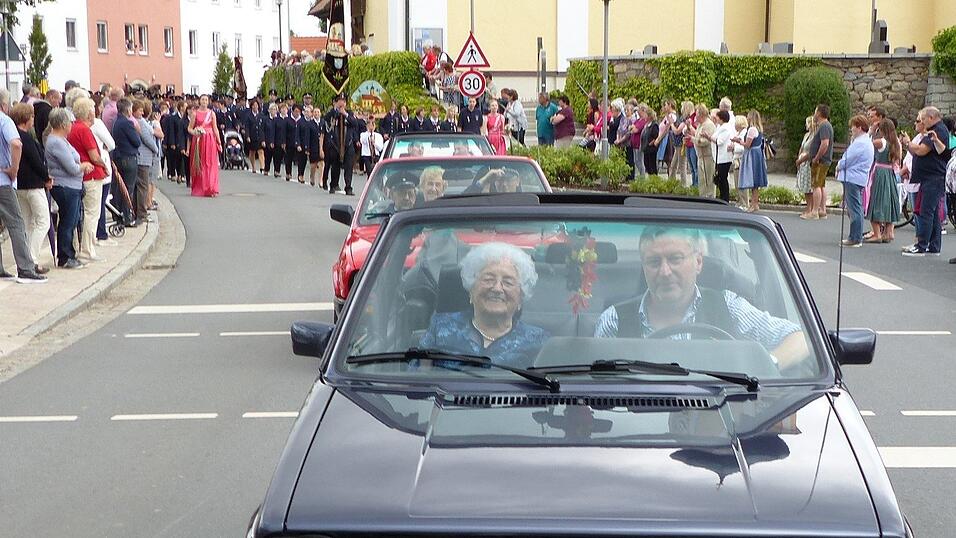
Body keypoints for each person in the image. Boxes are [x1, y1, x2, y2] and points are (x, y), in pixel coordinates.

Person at [594, 227, 808, 367]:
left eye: (675, 259)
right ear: (644, 267)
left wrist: (766, 365)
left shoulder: (729, 307)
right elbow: (595, 387)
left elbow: (800, 339)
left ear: (698, 262)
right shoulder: (613, 321)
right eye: (654, 262)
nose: (665, 271)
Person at [420, 242, 549, 367]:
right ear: (471, 290)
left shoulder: (538, 341)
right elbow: (418, 375)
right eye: (488, 279)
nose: (497, 289)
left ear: (520, 298)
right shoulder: (440, 327)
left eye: (508, 282)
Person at [0, 95, 45, 282]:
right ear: (4, 104)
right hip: (3, 181)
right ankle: (25, 268)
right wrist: (13, 169)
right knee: (16, 223)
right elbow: (16, 143)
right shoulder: (5, 120)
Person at [47, 108, 94, 269]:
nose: (72, 125)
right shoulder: (56, 142)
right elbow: (71, 167)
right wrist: (84, 166)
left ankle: (69, 254)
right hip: (65, 185)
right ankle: (65, 256)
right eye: (69, 122)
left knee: (72, 220)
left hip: (72, 185)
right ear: (62, 124)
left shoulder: (62, 140)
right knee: (68, 221)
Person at [902, 106, 952, 256]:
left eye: (923, 119)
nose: (922, 122)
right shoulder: (936, 130)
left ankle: (921, 245)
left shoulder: (936, 131)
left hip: (933, 177)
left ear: (931, 117)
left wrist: (907, 143)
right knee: (933, 212)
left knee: (926, 212)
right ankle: (934, 245)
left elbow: (921, 150)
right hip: (930, 177)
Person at [11, 103, 51, 274]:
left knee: (27, 224)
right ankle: (32, 259)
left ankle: (25, 259)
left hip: (20, 185)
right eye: (32, 116)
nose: (33, 119)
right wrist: (47, 178)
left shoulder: (15, 135)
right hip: (34, 185)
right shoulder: (26, 138)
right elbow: (36, 162)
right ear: (26, 118)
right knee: (43, 221)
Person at [68, 97, 109, 261]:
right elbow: (94, 155)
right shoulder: (84, 130)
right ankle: (88, 249)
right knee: (93, 213)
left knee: (82, 213)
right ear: (88, 113)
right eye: (93, 109)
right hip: (91, 175)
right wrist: (104, 164)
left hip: (80, 175)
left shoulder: (72, 128)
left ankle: (81, 247)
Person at [836, 115, 875, 247]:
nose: (851, 129)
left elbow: (848, 159)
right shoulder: (865, 142)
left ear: (859, 127)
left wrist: (839, 165)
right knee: (855, 207)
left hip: (853, 177)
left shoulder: (860, 143)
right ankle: (855, 236)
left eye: (853, 126)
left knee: (854, 209)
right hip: (857, 178)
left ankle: (855, 238)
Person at [864, 118, 902, 243]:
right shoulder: (897, 144)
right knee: (889, 201)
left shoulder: (880, 142)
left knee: (876, 200)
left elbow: (866, 145)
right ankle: (888, 232)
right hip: (890, 173)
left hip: (880, 172)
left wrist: (871, 131)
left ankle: (877, 234)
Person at [91, 99, 119, 247]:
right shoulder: (96, 123)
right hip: (100, 164)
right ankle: (101, 233)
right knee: (100, 202)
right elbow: (111, 144)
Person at [110, 98, 140, 225]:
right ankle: (127, 217)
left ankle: (119, 215)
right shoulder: (127, 123)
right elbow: (136, 141)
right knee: (128, 188)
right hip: (128, 157)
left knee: (119, 188)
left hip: (119, 156)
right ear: (128, 109)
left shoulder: (116, 122)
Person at [324, 94, 360, 195]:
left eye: (344, 101)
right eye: (340, 100)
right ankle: (333, 184)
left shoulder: (349, 113)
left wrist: (345, 114)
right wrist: (336, 112)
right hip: (335, 144)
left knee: (349, 166)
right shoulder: (332, 113)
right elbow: (326, 121)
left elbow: (355, 123)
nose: (342, 102)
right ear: (336, 102)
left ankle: (348, 187)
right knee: (335, 166)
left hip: (347, 143)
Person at [187, 94, 222, 197]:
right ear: (199, 101)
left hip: (210, 140)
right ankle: (200, 187)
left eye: (206, 100)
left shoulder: (212, 114)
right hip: (198, 141)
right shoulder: (195, 114)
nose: (204, 101)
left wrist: (219, 142)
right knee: (200, 163)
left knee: (210, 163)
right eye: (202, 99)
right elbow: (189, 128)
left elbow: (215, 128)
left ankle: (210, 187)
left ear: (208, 101)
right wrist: (195, 132)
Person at [735, 110, 769, 212]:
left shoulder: (751, 130)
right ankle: (755, 204)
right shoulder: (758, 129)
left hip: (752, 155)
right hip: (757, 154)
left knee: (752, 179)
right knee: (756, 181)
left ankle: (753, 204)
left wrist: (739, 141)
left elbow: (747, 144)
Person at [808, 104, 834, 219]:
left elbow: (825, 144)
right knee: (821, 185)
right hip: (823, 160)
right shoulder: (826, 126)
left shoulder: (824, 126)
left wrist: (816, 157)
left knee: (816, 185)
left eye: (815, 111)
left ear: (819, 113)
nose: (814, 114)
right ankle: (822, 210)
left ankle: (814, 211)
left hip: (821, 161)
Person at [795, 116, 817, 218]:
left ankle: (811, 208)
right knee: (804, 186)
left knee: (809, 187)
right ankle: (808, 208)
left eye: (807, 123)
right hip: (802, 162)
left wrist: (802, 159)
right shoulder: (806, 135)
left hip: (808, 162)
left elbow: (810, 150)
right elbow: (802, 147)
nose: (806, 125)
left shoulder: (814, 136)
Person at [669, 101, 695, 185]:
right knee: (673, 165)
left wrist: (671, 124)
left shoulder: (686, 119)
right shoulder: (682, 118)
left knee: (682, 165)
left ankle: (683, 184)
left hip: (681, 144)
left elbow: (677, 131)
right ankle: (671, 182)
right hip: (677, 144)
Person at [712, 110, 735, 203]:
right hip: (720, 158)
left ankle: (725, 198)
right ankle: (723, 197)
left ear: (721, 118)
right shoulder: (720, 127)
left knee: (722, 178)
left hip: (724, 157)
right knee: (721, 178)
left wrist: (709, 137)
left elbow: (719, 141)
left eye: (717, 117)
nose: (715, 118)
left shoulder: (725, 128)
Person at [692, 105, 715, 194]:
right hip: (701, 156)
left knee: (708, 181)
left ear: (701, 114)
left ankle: (709, 200)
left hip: (707, 157)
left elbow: (705, 141)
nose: (695, 116)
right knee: (702, 181)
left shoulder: (708, 125)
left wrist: (693, 139)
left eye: (696, 113)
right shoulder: (700, 125)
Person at [304, 105, 323, 186]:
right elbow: (307, 136)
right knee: (313, 165)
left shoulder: (323, 122)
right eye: (315, 112)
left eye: (318, 112)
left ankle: (320, 180)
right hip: (313, 146)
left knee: (321, 164)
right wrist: (307, 148)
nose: (316, 113)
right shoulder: (309, 124)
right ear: (312, 114)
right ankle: (312, 177)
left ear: (320, 114)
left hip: (321, 147)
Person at [245, 100, 264, 174]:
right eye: (254, 105)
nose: (255, 107)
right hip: (252, 136)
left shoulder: (261, 115)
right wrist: (247, 136)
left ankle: (262, 166)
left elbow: (263, 127)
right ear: (251, 106)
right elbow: (247, 127)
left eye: (256, 105)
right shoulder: (248, 116)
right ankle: (253, 167)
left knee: (261, 151)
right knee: (252, 152)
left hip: (260, 136)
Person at [641, 108, 660, 176]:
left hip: (651, 149)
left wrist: (650, 144)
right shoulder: (646, 125)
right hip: (646, 148)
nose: (644, 116)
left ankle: (654, 179)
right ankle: (650, 178)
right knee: (647, 164)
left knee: (652, 165)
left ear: (649, 116)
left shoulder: (654, 125)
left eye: (645, 114)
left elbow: (656, 136)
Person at [263, 102, 278, 177]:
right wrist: (263, 140)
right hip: (267, 140)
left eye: (275, 109)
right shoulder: (265, 119)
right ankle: (266, 169)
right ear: (269, 110)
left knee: (276, 157)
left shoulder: (278, 119)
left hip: (276, 140)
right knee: (268, 156)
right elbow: (262, 130)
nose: (273, 111)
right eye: (272, 109)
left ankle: (276, 170)